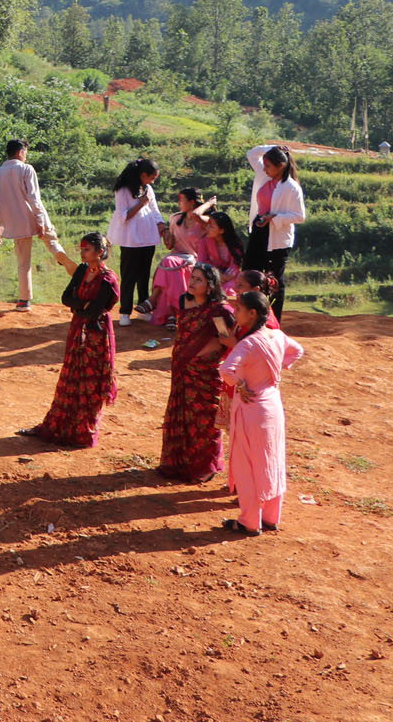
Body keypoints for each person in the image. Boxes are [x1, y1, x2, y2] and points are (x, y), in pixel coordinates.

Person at [18, 233, 121, 449]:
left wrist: (79, 306)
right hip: (78, 330)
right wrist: (82, 306)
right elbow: (66, 298)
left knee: (90, 381)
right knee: (72, 376)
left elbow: (94, 311)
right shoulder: (83, 271)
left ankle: (83, 431)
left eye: (86, 249)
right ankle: (62, 425)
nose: (82, 253)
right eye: (82, 249)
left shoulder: (108, 279)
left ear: (99, 253)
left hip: (96, 334)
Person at [219, 291, 304, 535]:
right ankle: (270, 517)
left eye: (239, 309)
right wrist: (276, 370)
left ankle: (249, 521)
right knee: (272, 459)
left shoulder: (248, 343)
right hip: (272, 405)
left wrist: (241, 384)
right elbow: (297, 351)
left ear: (252, 313)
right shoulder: (277, 335)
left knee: (247, 465)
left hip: (250, 408)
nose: (235, 313)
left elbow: (226, 370)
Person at [156, 264, 235, 483]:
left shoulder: (219, 311)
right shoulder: (185, 301)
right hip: (181, 369)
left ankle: (203, 467)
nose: (192, 282)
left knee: (203, 418)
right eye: (192, 277)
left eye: (198, 279)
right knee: (180, 413)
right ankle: (178, 463)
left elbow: (224, 339)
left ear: (210, 286)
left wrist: (200, 356)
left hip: (203, 372)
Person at [0, 139, 66, 308]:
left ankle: (24, 300)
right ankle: (59, 254)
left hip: (13, 223)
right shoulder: (26, 169)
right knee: (51, 238)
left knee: (23, 262)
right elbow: (34, 197)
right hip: (32, 216)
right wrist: (40, 221)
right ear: (21, 152)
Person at [243, 144, 307, 321]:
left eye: (268, 165)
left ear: (281, 166)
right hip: (259, 230)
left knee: (274, 281)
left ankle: (273, 321)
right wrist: (273, 147)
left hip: (277, 237)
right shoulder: (265, 176)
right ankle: (251, 316)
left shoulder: (291, 187)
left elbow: (300, 216)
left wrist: (275, 217)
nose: (264, 169)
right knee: (250, 274)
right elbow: (251, 153)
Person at [106, 157, 163, 322]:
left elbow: (155, 210)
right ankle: (125, 312)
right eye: (151, 178)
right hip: (130, 238)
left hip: (148, 236)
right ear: (143, 174)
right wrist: (140, 203)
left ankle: (143, 308)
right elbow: (124, 216)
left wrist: (161, 226)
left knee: (144, 274)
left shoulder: (148, 189)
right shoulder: (123, 190)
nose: (152, 182)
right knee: (129, 275)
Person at [147, 187, 210, 327]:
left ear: (192, 203)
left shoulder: (205, 220)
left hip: (195, 260)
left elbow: (196, 216)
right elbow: (169, 245)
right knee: (170, 262)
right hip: (176, 258)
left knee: (168, 262)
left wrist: (209, 203)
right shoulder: (175, 218)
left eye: (181, 200)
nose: (178, 203)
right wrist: (164, 232)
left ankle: (155, 301)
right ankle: (175, 312)